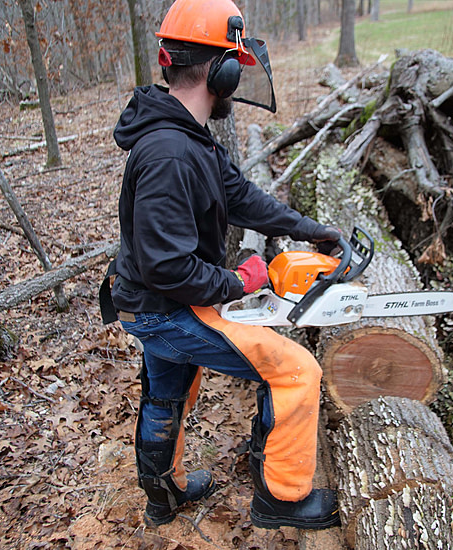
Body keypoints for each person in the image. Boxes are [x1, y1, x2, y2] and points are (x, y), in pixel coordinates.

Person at [106, 0, 342, 531]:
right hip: (166, 308)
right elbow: (168, 267)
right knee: (296, 373)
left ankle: (162, 495)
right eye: (236, 65)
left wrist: (309, 230)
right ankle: (281, 498)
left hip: (154, 304)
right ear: (222, 70)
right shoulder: (169, 152)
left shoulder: (187, 138)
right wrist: (239, 280)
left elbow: (241, 197)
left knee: (168, 389)